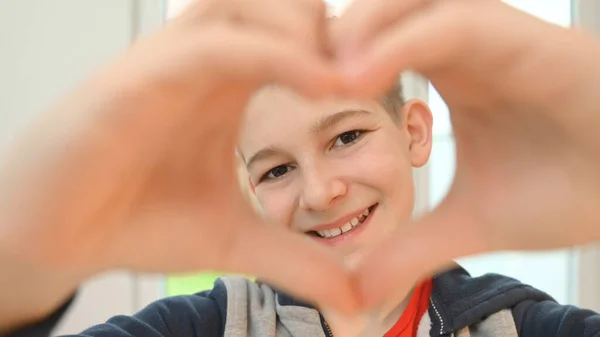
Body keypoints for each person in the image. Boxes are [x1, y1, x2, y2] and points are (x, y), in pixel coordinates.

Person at [2, 0, 600, 335]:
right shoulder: (206, 327)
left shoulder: (528, 327)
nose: (320, 190)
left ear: (414, 132)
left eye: (346, 136)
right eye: (276, 172)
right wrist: (26, 245)